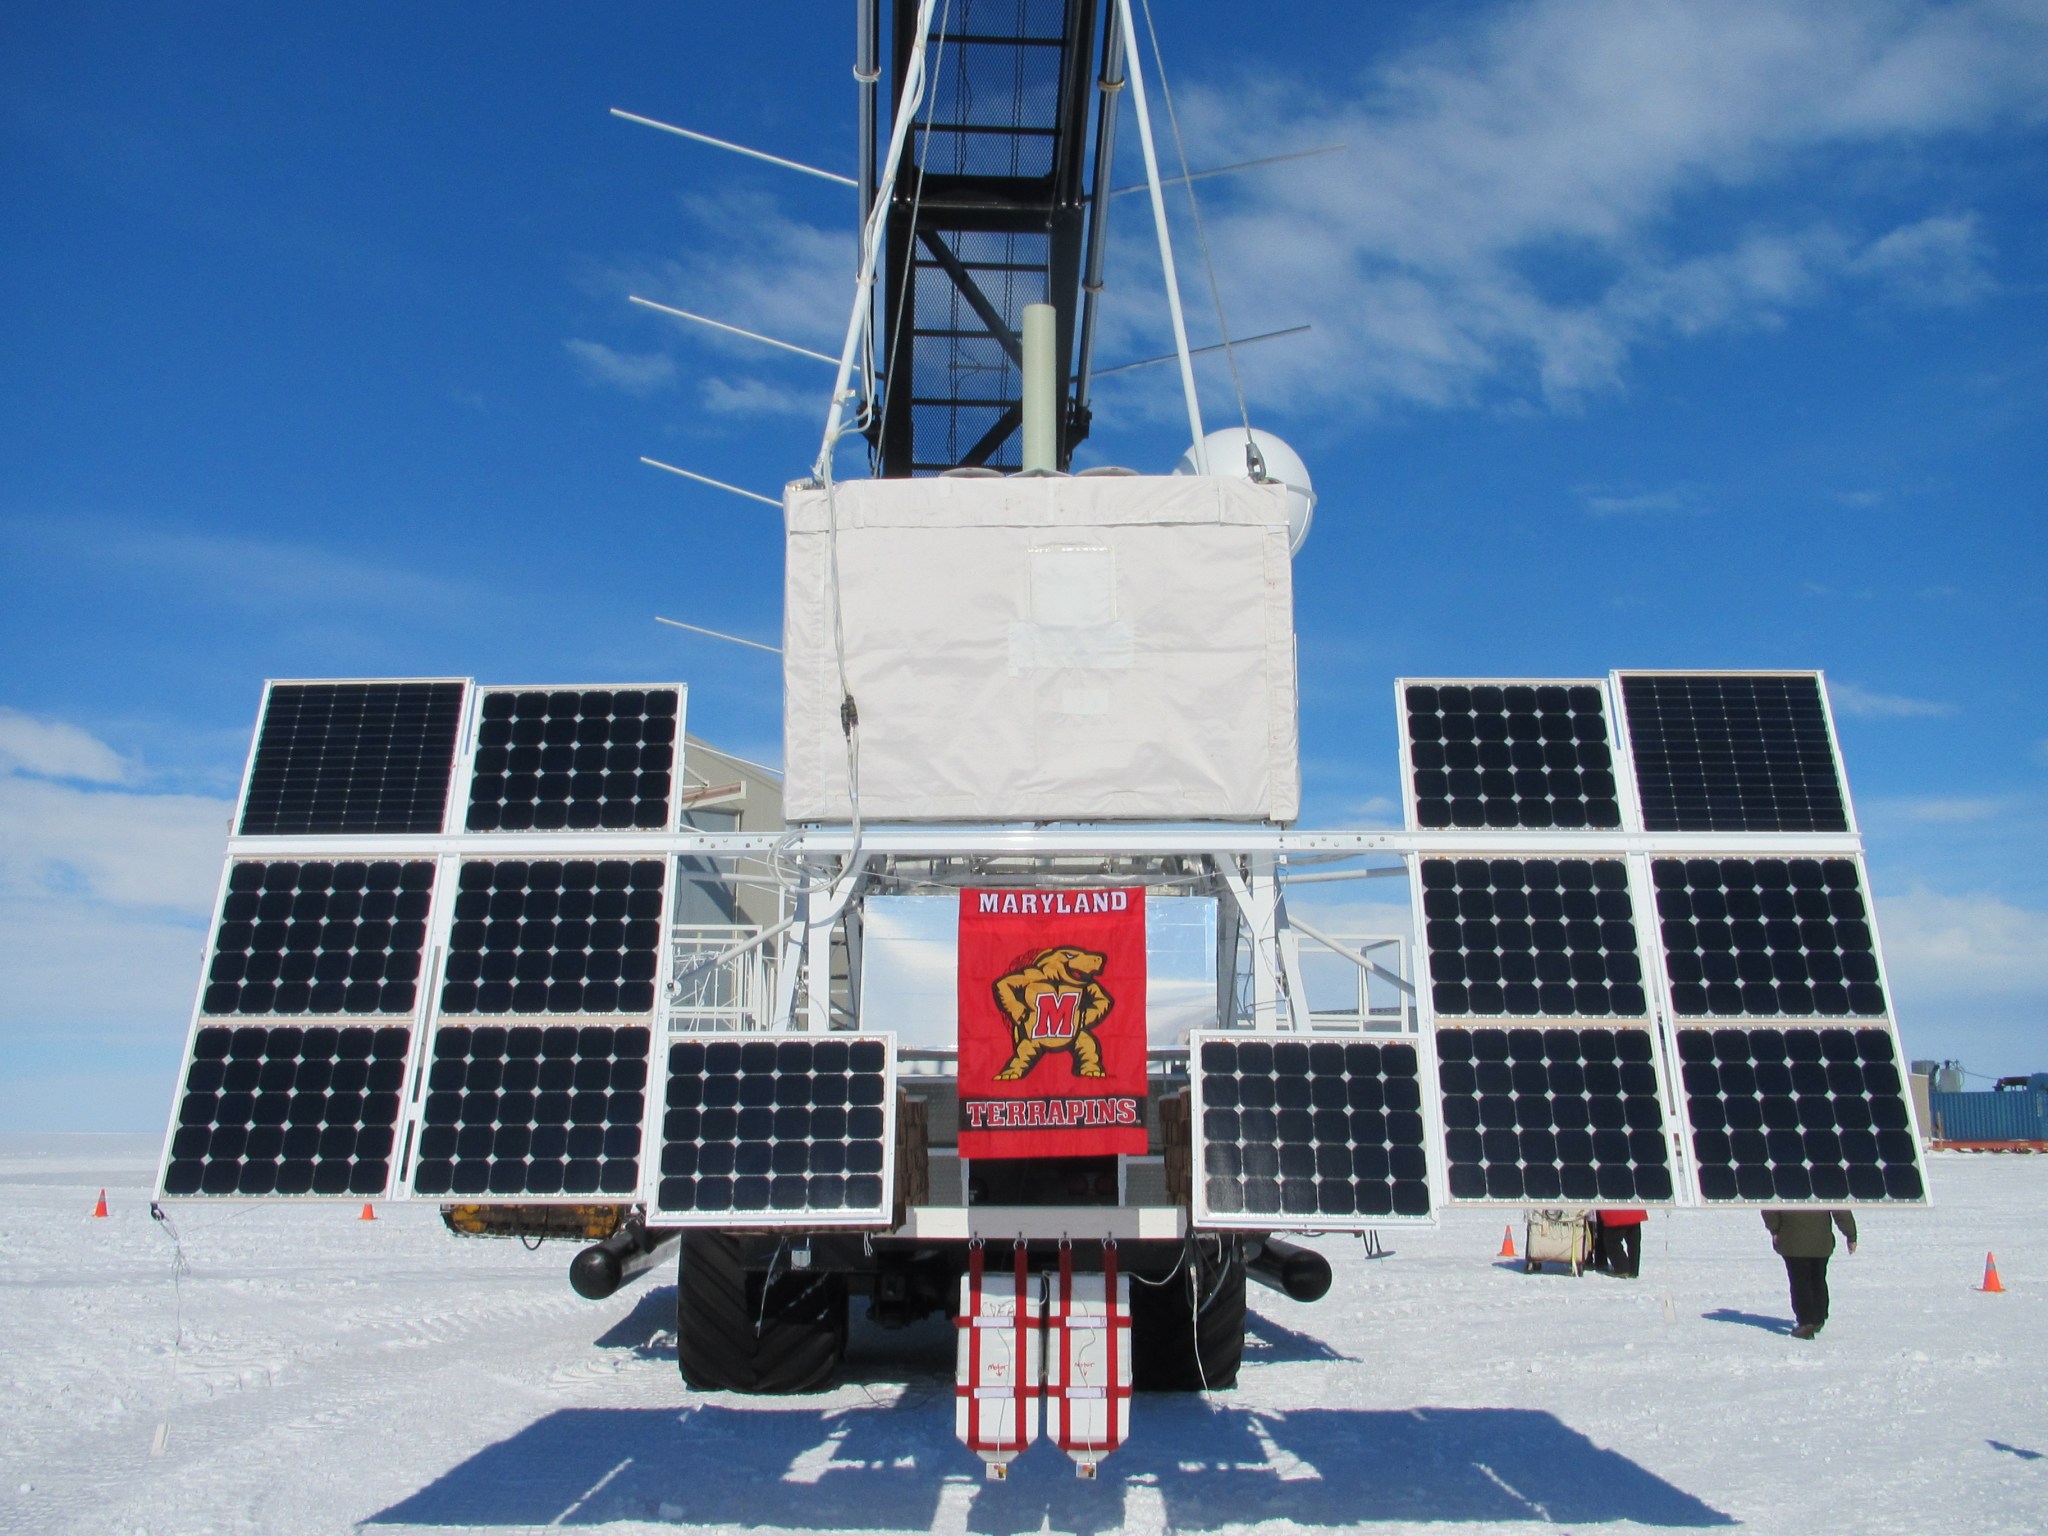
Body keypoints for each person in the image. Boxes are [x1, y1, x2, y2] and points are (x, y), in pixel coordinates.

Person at [1762, 1209, 1857, 1339]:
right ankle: (1818, 1318)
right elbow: (1840, 1209)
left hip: (1792, 1241)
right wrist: (1851, 1235)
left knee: (1800, 1282)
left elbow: (1769, 1208)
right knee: (1818, 1278)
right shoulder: (1828, 1187)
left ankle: (1806, 1322)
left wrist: (1775, 1229)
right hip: (1821, 1242)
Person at [1595, 1208, 1647, 1278]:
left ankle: (1622, 1268)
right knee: (1634, 1243)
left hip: (1616, 1213)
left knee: (1612, 1242)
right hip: (1635, 1209)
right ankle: (1633, 1270)